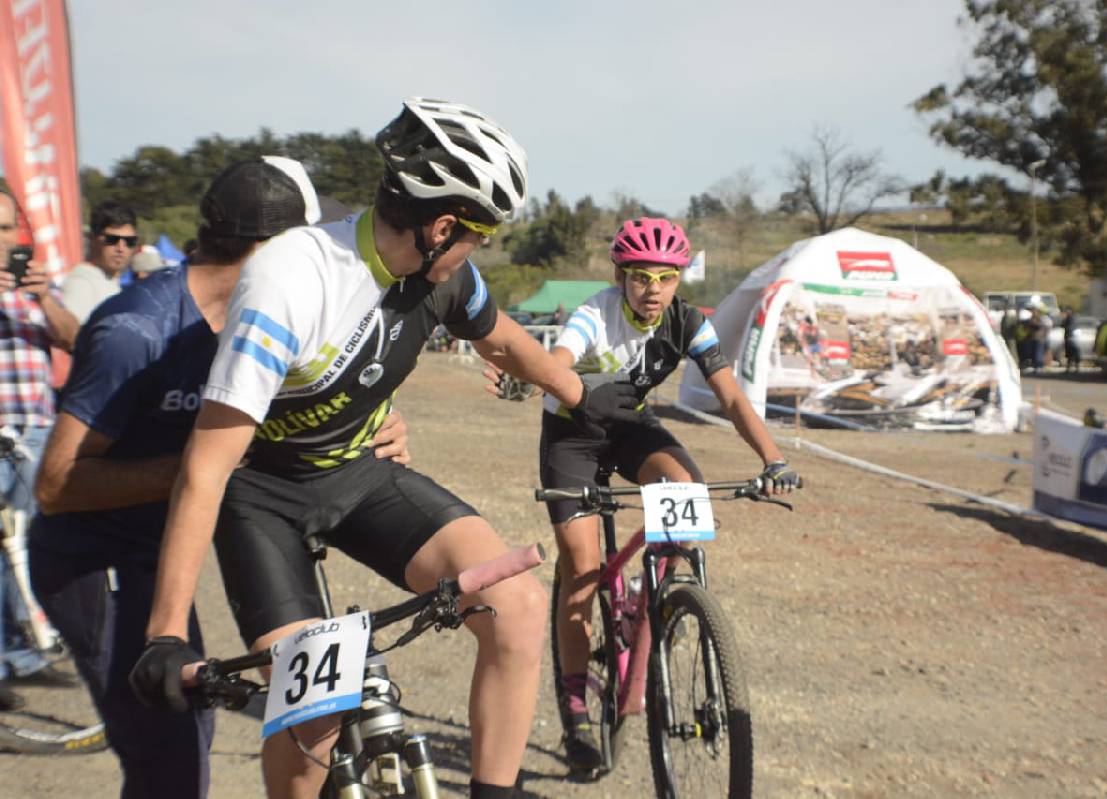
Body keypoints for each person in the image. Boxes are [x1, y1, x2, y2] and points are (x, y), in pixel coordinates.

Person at [130, 98, 640, 799]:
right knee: (319, 711)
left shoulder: (443, 273)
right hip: (264, 500)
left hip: (357, 472)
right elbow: (207, 465)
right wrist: (165, 633)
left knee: (516, 605)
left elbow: (497, 336)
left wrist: (578, 393)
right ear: (440, 226)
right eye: (477, 237)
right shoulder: (289, 283)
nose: (476, 253)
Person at [29, 157, 397, 799]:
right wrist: (204, 466)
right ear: (273, 248)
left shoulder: (264, 317)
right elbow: (55, 485)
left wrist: (381, 426)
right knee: (168, 761)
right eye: (312, 243)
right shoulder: (134, 330)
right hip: (96, 560)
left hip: (162, 549)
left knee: (187, 738)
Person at [527, 217, 800, 771]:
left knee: (687, 488)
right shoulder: (594, 314)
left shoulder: (688, 322)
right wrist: (536, 375)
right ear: (620, 276)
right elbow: (557, 363)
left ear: (679, 278)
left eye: (665, 277)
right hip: (573, 438)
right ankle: (578, 703)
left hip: (630, 427)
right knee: (580, 569)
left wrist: (773, 458)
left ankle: (661, 598)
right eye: (640, 277)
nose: (652, 290)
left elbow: (731, 398)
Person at [0, 188, 80, 710]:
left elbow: (79, 342)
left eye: (9, 228)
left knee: (25, 552)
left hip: (37, 430)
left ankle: (21, 655)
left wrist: (46, 298)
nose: (5, 240)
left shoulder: (34, 287)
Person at [61, 201, 138, 328]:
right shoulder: (82, 282)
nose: (121, 248)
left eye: (129, 241)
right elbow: (69, 337)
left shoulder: (109, 280)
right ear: (92, 239)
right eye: (112, 240)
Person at [1062, 306, 1081, 372]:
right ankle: (1069, 368)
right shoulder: (1068, 318)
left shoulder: (1072, 318)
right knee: (1069, 354)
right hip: (1069, 337)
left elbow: (1067, 327)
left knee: (1075, 353)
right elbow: (1062, 325)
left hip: (1072, 338)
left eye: (1067, 311)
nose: (1066, 312)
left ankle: (1076, 368)